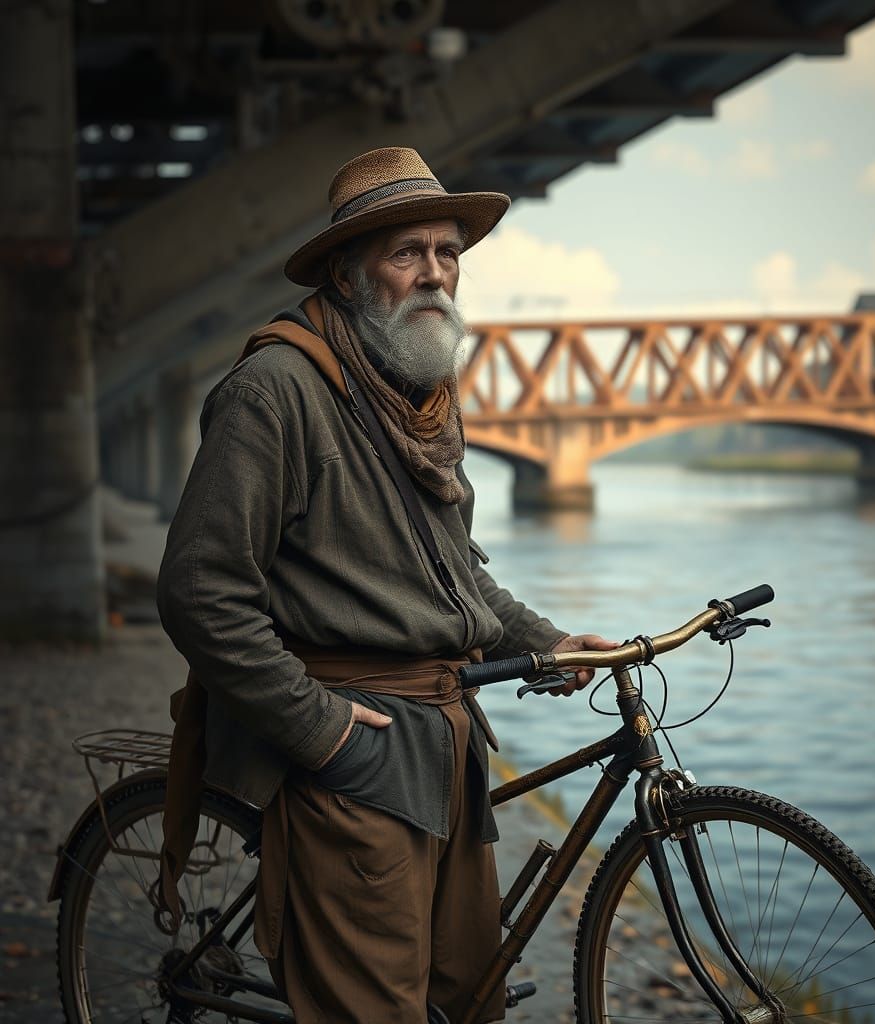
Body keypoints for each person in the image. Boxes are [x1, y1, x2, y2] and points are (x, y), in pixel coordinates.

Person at [156, 146, 616, 1024]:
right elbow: (198, 591)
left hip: (448, 753)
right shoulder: (273, 393)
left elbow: (454, 578)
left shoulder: (422, 390)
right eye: (407, 254)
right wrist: (319, 729)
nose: (436, 275)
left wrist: (545, 642)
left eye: (448, 253)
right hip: (351, 756)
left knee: (470, 1004)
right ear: (346, 271)